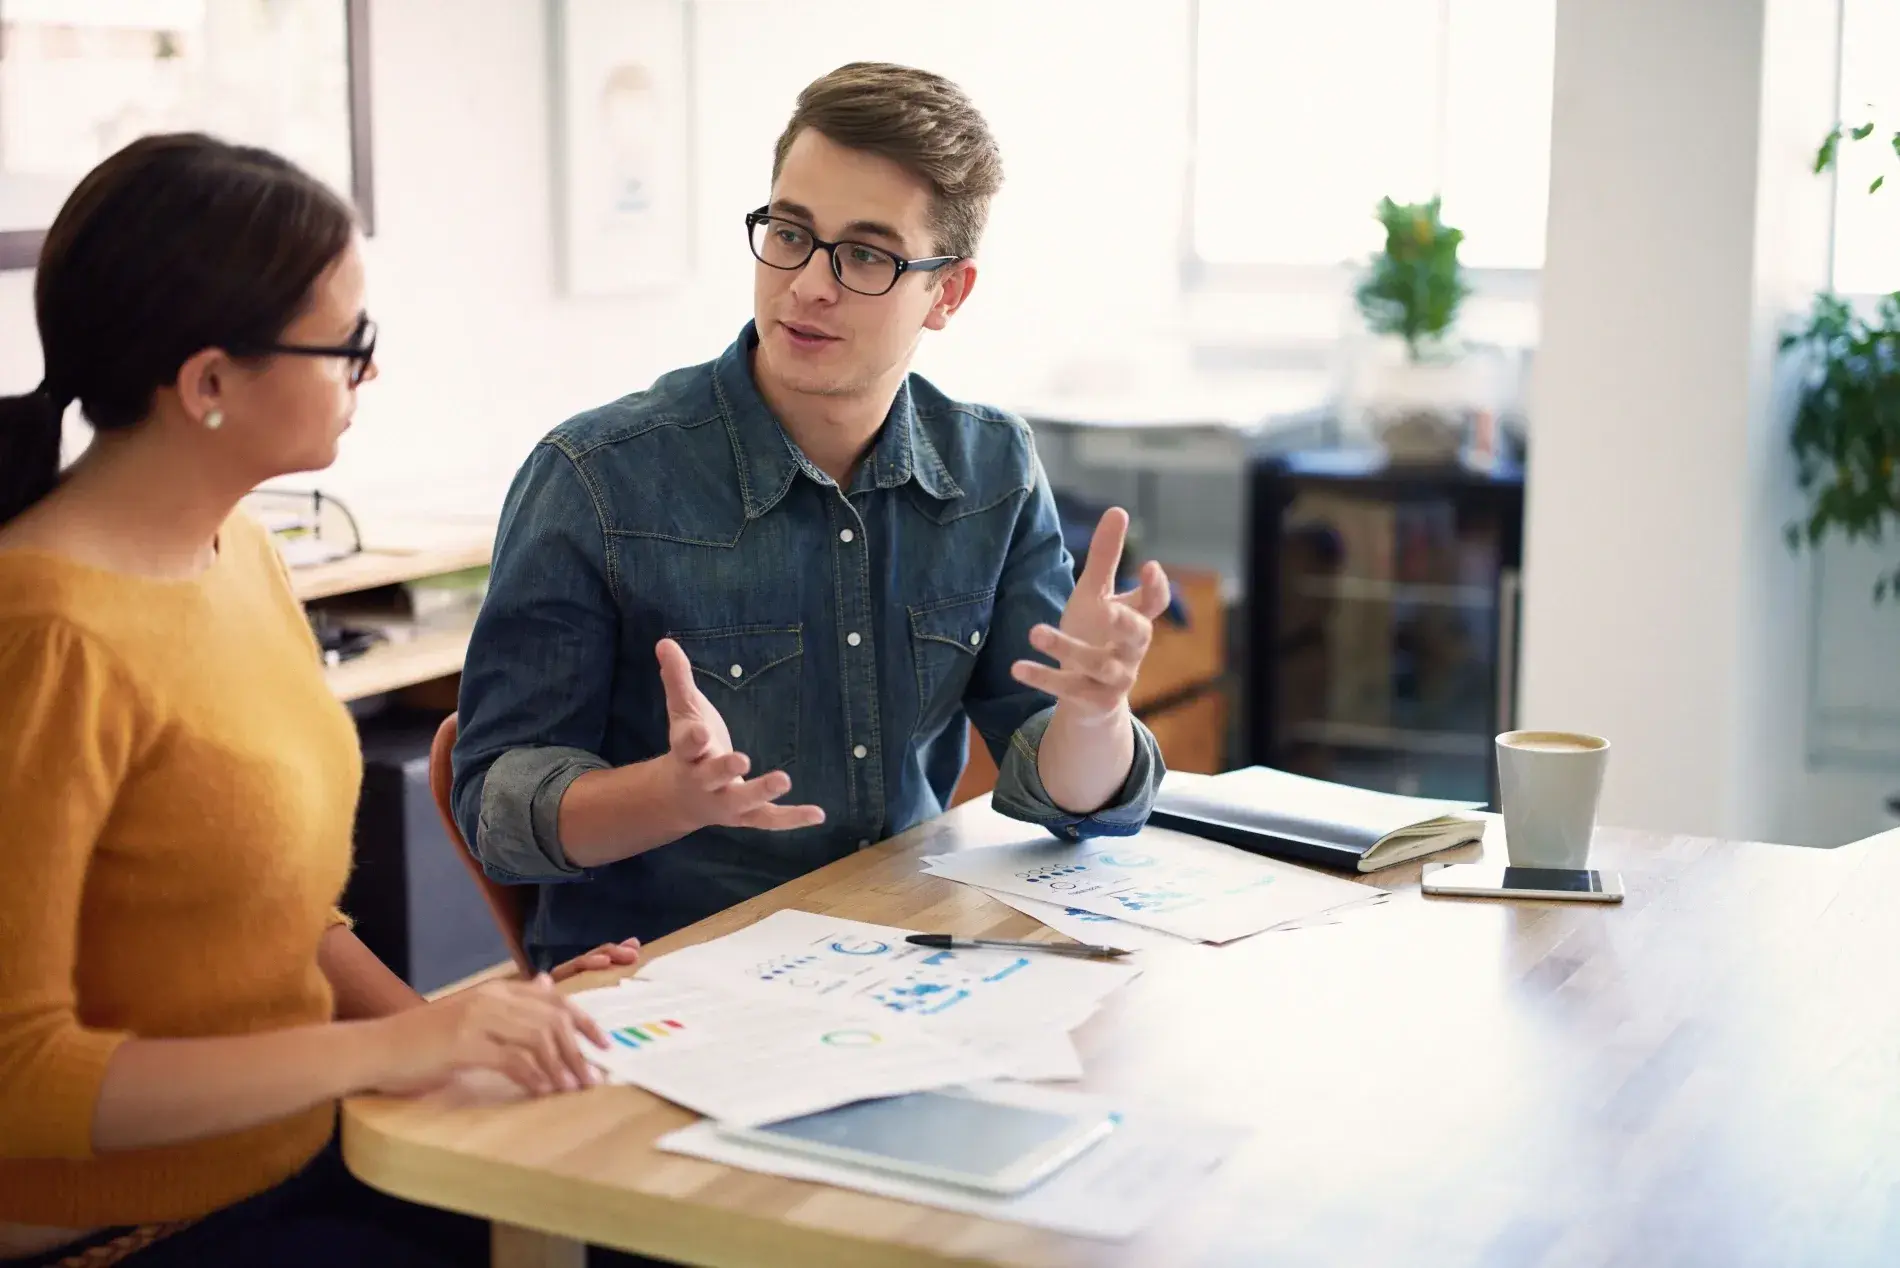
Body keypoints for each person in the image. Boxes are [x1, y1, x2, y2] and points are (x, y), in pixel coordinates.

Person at [0, 133, 640, 1268]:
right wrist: (395, 1048)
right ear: (207, 383)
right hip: (135, 1234)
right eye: (351, 343)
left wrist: (460, 1033)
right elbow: (20, 1080)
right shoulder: (47, 639)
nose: (369, 372)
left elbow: (273, 911)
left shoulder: (235, 550)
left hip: (305, 1159)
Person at [453, 62, 1174, 972]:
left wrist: (1095, 714)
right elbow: (494, 813)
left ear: (948, 293)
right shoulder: (595, 479)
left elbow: (1070, 805)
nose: (809, 285)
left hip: (906, 959)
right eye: (790, 233)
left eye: (867, 254)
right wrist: (669, 796)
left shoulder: (990, 467)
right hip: (667, 980)